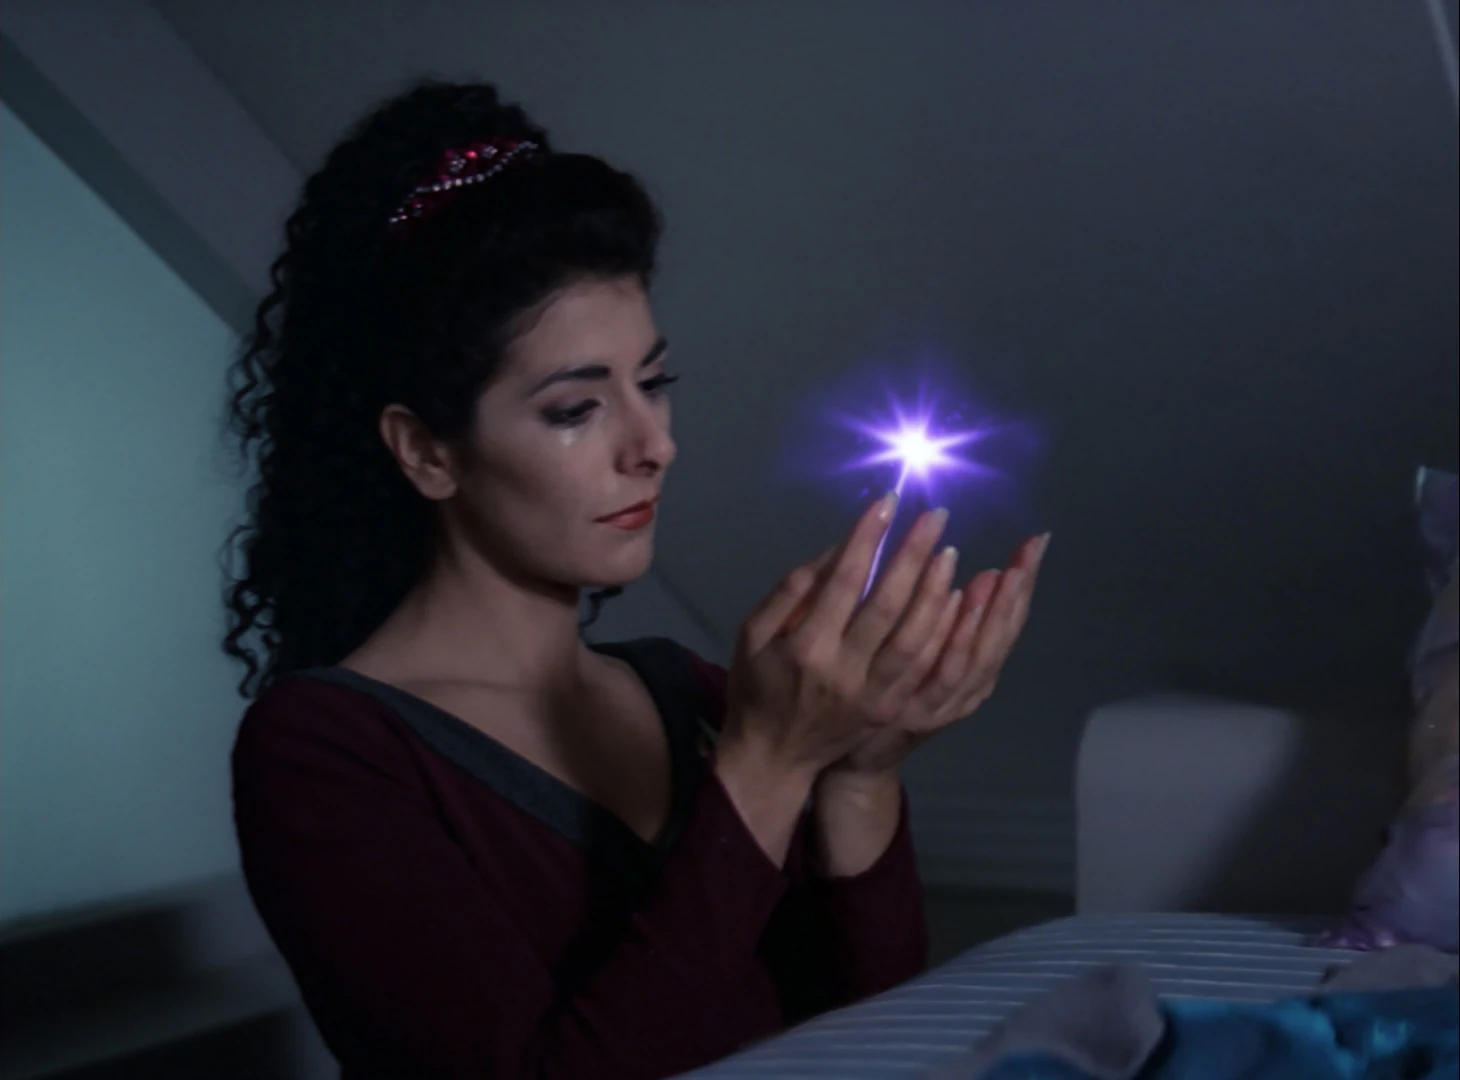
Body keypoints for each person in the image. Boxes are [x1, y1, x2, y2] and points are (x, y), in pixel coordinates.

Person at [224, 79, 1047, 1080]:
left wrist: (859, 774)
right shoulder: (329, 751)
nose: (652, 444)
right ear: (427, 451)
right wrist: (768, 764)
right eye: (576, 409)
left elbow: (871, 1042)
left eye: (652, 384)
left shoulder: (690, 695)